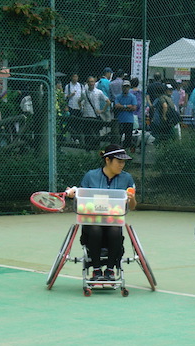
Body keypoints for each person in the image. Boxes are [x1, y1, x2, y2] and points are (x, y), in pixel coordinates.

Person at [66, 144, 137, 281]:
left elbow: (132, 207)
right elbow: (81, 198)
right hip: (92, 223)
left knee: (115, 230)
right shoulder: (90, 176)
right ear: (107, 160)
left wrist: (132, 198)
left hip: (114, 222)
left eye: (123, 162)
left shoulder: (127, 178)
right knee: (95, 229)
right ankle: (96, 270)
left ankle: (110, 270)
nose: (122, 165)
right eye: (119, 161)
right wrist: (73, 195)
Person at [80, 76, 111, 149]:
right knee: (87, 133)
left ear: (94, 82)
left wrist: (102, 110)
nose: (91, 83)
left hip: (95, 115)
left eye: (92, 81)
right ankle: (87, 149)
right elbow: (79, 101)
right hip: (86, 116)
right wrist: (81, 108)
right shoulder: (84, 93)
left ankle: (96, 147)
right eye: (89, 82)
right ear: (87, 83)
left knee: (96, 133)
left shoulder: (98, 92)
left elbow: (108, 101)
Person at [114, 80, 137, 149]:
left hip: (129, 120)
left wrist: (122, 107)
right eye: (124, 87)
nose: (126, 88)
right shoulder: (118, 97)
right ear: (122, 87)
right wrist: (127, 106)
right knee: (119, 137)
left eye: (127, 87)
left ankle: (127, 150)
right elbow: (116, 106)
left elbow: (134, 108)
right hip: (120, 120)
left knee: (128, 138)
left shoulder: (133, 97)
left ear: (129, 87)